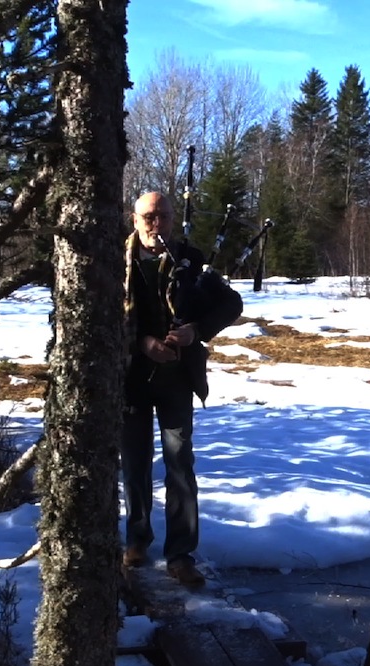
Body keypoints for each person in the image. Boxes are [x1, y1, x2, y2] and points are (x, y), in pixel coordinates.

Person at [121, 191, 242, 588]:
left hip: (176, 379)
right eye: (149, 216)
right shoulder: (116, 263)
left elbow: (231, 303)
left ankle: (180, 554)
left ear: (173, 220)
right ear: (135, 219)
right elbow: (104, 314)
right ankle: (137, 540)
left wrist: (196, 331)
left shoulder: (190, 260)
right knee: (134, 463)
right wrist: (143, 343)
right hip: (131, 377)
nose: (156, 224)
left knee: (180, 465)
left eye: (164, 216)